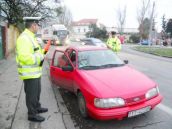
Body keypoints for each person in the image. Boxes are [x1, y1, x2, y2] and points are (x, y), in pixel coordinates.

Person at [15, 17, 51, 122]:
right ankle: (32, 114)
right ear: (33, 25)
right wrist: (40, 56)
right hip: (29, 73)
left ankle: (37, 107)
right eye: (38, 25)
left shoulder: (31, 37)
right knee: (31, 95)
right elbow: (24, 57)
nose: (38, 27)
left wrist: (45, 50)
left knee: (36, 93)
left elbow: (37, 53)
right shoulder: (24, 38)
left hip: (35, 73)